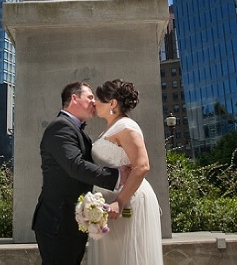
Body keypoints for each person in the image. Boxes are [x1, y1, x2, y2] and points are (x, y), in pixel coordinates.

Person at [33, 81, 128, 265]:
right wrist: (116, 176)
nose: (94, 102)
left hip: (70, 222)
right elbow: (75, 166)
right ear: (74, 98)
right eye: (90, 97)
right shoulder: (60, 127)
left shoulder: (74, 129)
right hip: (58, 222)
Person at [89, 79, 163, 265]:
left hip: (127, 201)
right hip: (110, 202)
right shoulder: (113, 127)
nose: (94, 103)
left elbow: (142, 165)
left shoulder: (126, 127)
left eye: (99, 99)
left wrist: (120, 202)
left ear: (112, 103)